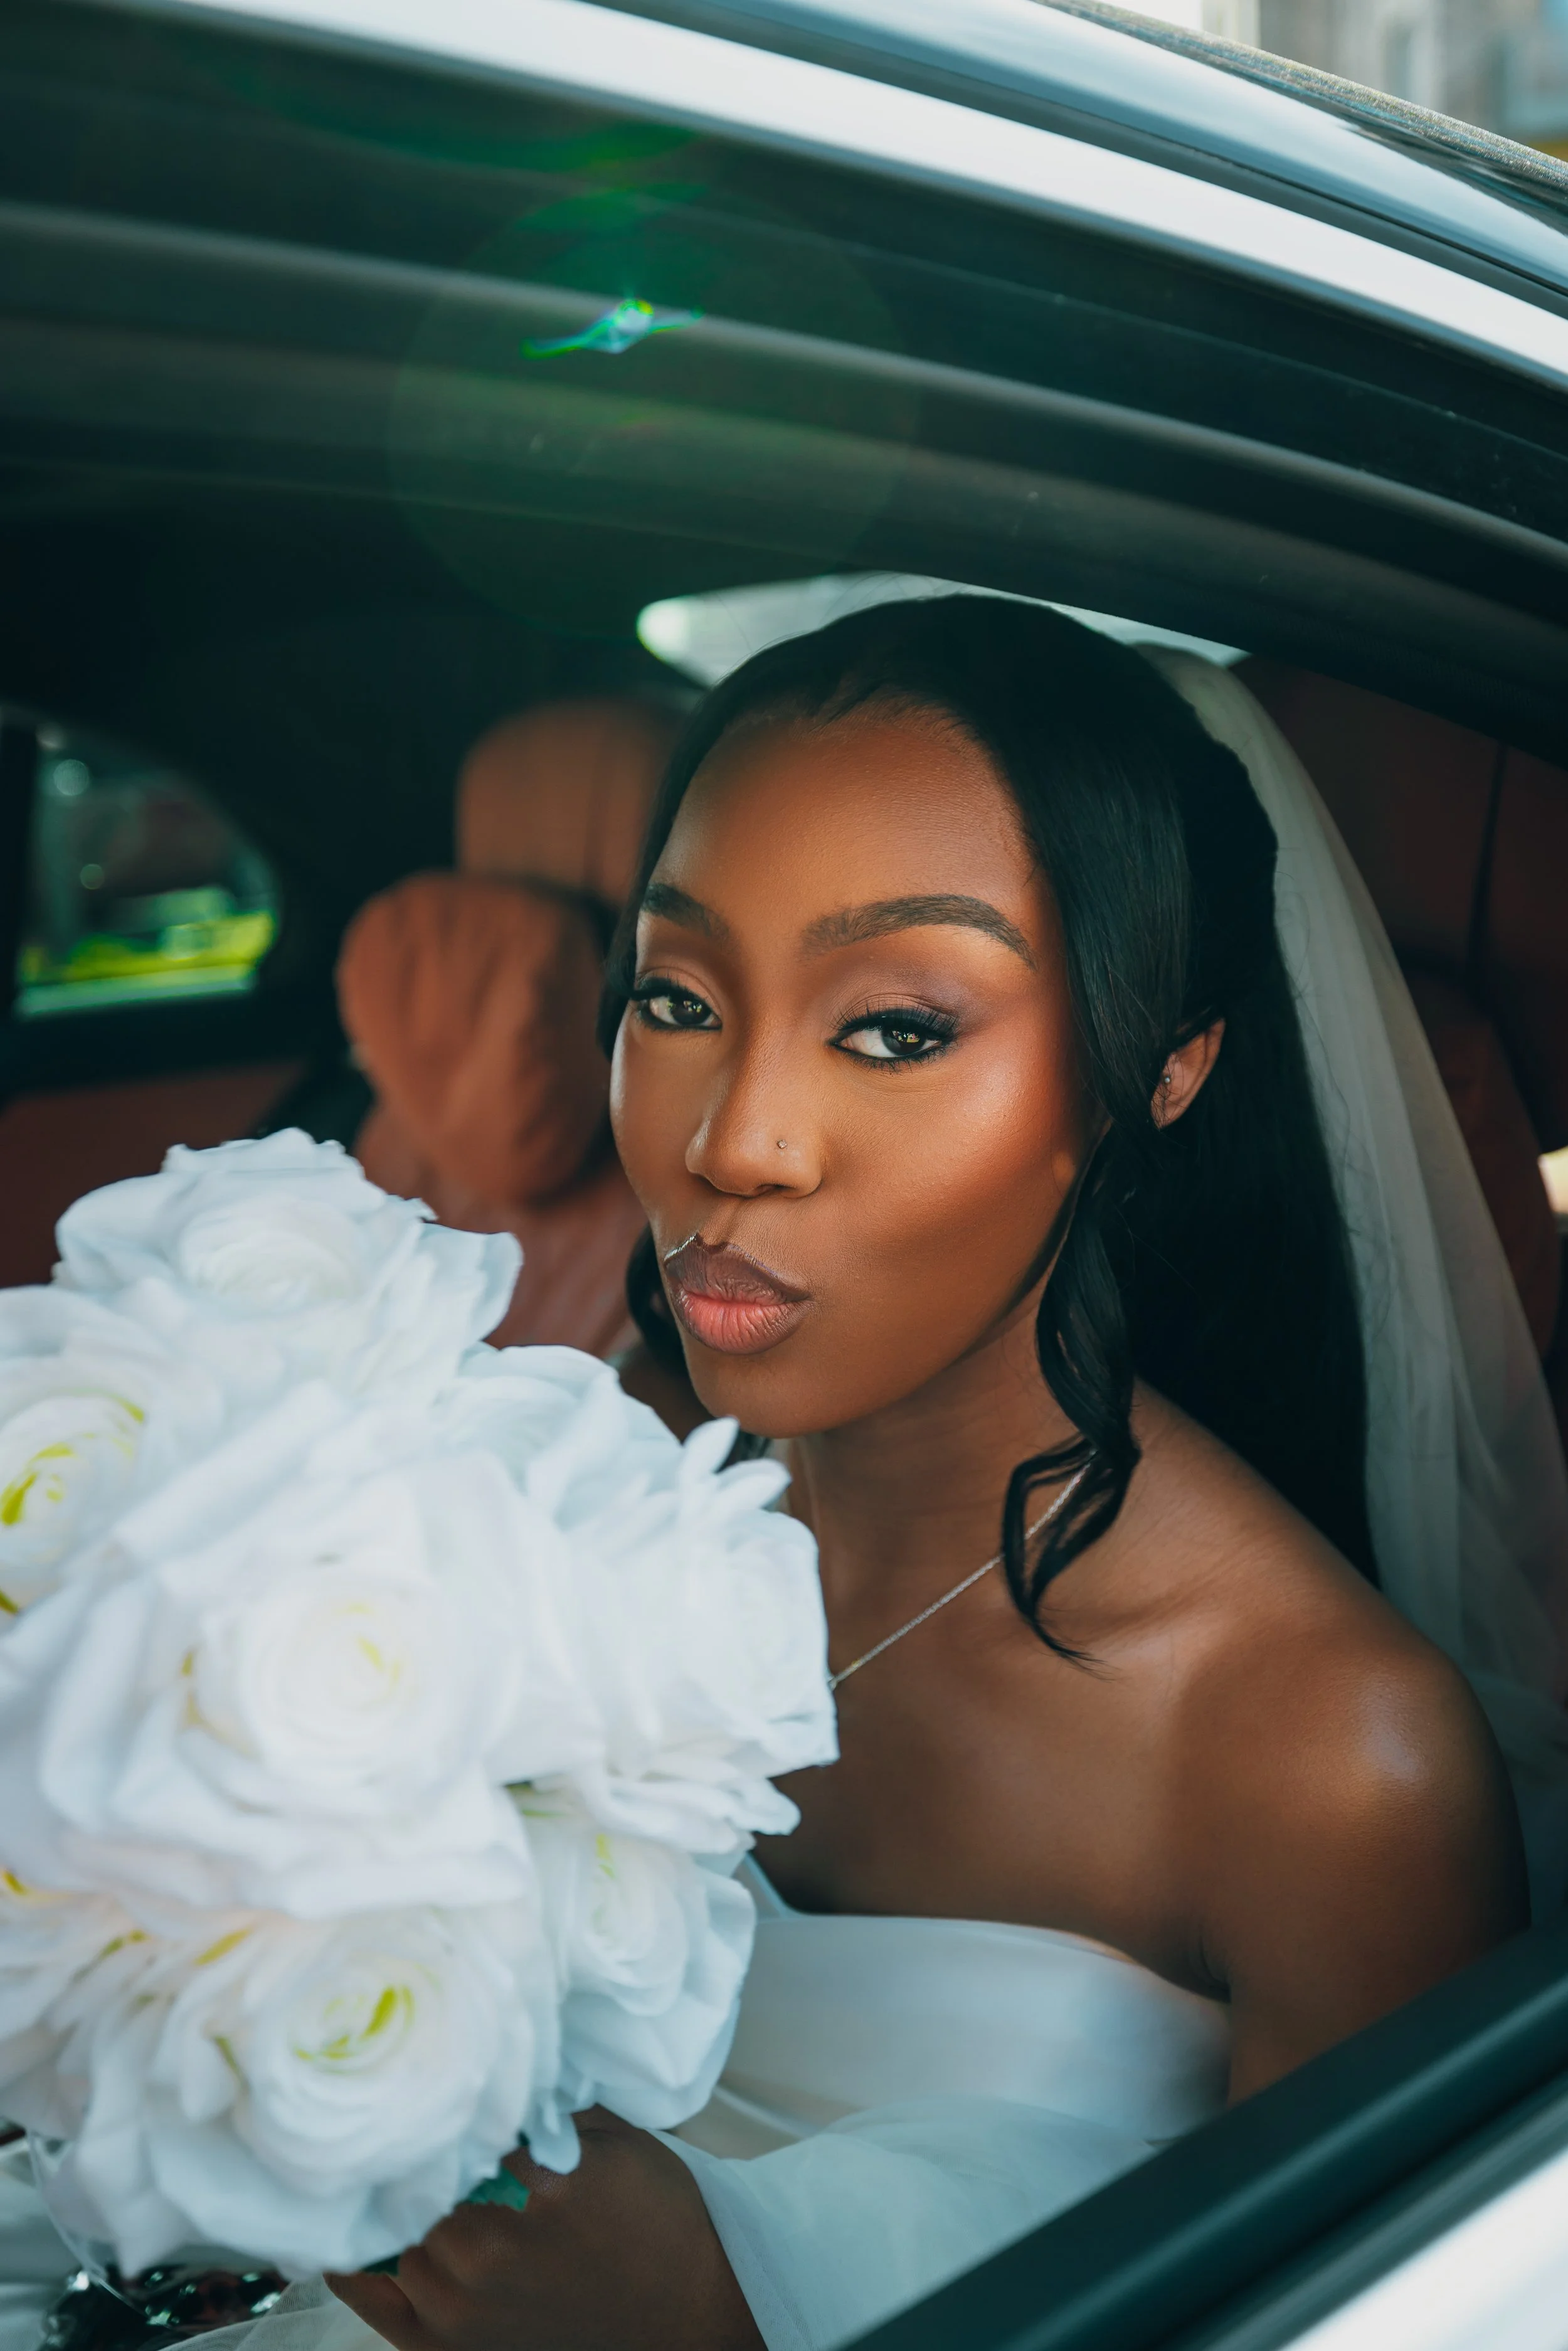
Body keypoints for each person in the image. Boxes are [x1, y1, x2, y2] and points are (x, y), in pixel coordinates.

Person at [76, 602, 1568, 2351]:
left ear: (1157, 1069)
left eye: (894, 1028)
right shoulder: (588, 1466)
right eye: (679, 997)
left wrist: (715, 2324)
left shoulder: (1325, 1759)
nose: (730, 1140)